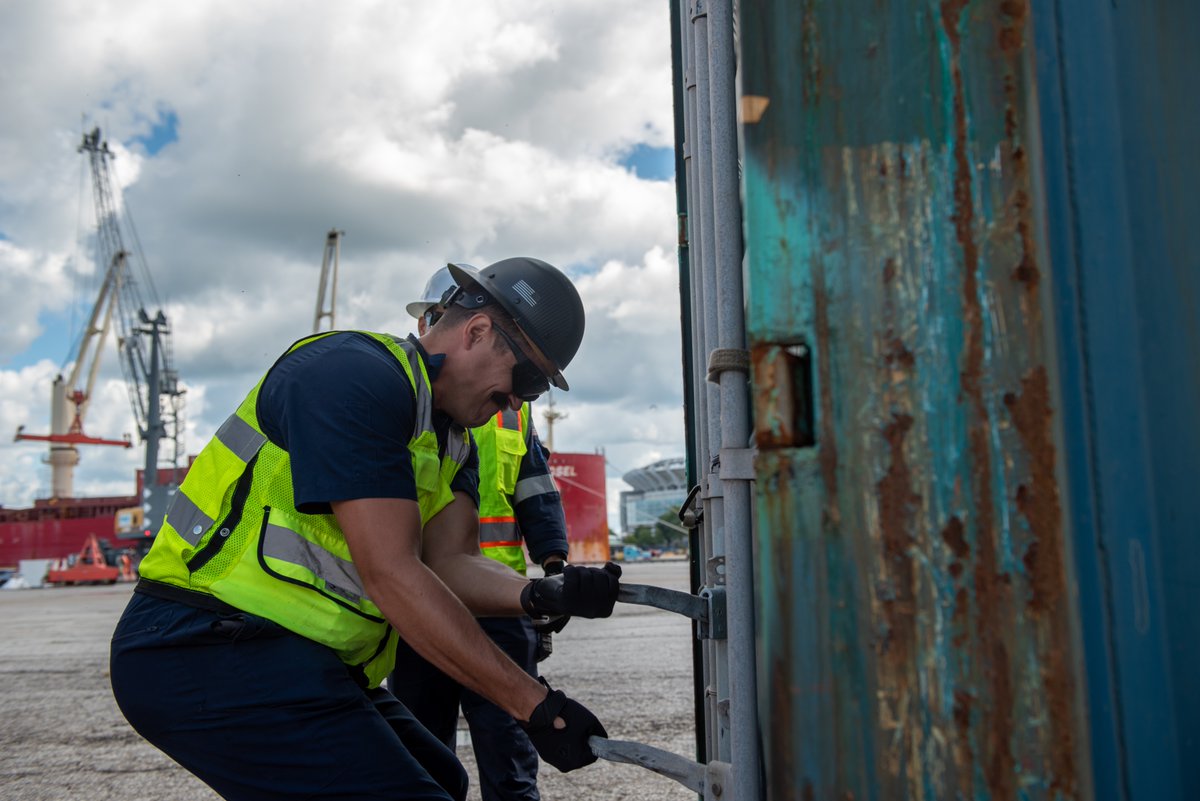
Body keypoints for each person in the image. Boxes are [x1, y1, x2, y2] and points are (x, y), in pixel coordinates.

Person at [109, 257, 623, 801]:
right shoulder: (354, 376)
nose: (519, 401)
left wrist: (540, 593)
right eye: (528, 379)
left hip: (289, 655)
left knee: (445, 778)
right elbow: (393, 572)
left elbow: (449, 563)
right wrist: (535, 707)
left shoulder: (454, 441)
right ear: (476, 331)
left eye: (536, 391)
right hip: (199, 646)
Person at [391, 266, 566, 801]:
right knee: (423, 743)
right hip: (420, 594)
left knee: (508, 743)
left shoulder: (512, 413)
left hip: (497, 597)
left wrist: (553, 567)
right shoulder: (400, 400)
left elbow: (535, 489)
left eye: (429, 317)